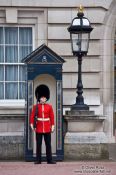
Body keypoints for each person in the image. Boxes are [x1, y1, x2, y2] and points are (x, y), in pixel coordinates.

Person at [30, 84, 56, 164]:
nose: (43, 99)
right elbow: (32, 116)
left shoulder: (49, 106)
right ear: (39, 98)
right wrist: (32, 124)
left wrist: (52, 125)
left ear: (46, 98)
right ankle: (38, 160)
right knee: (38, 145)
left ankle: (49, 159)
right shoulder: (36, 107)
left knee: (48, 144)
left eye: (44, 98)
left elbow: (52, 116)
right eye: (42, 97)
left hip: (47, 127)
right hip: (39, 127)